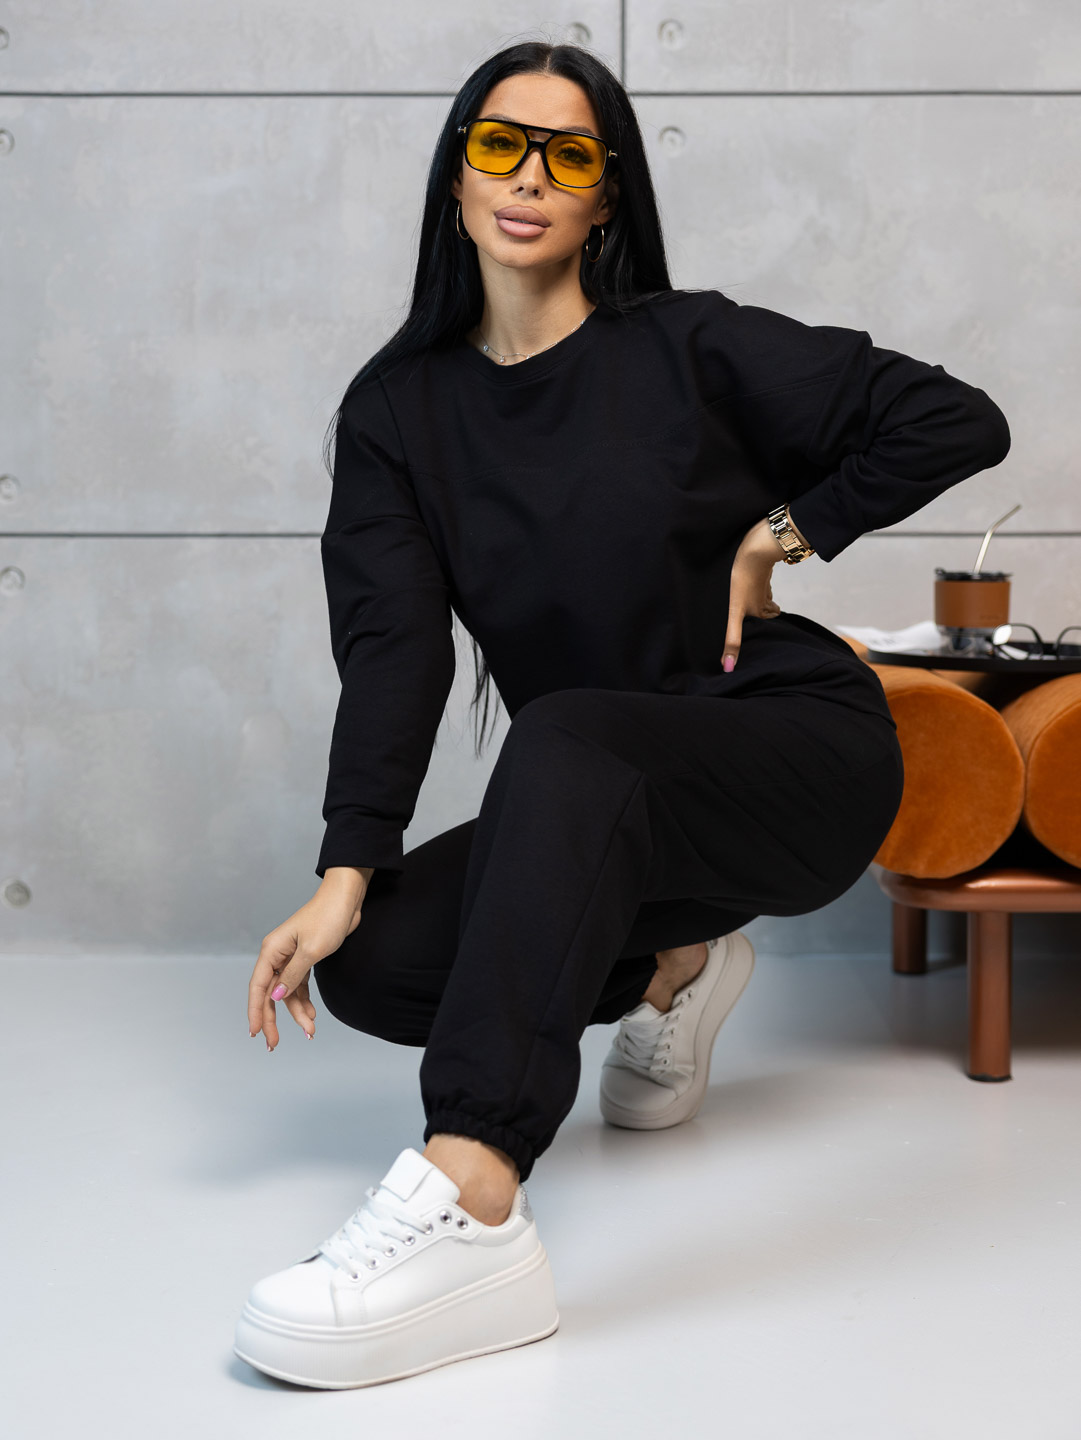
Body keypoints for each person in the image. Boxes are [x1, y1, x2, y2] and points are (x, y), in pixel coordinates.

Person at [234, 41, 1010, 1390]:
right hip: (604, 804)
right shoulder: (399, 413)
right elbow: (394, 654)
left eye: (570, 154)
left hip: (790, 754)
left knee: (568, 734)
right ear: (457, 175)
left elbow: (956, 419)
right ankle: (674, 966)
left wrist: (785, 531)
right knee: (377, 960)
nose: (530, 176)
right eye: (501, 144)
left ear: (605, 198)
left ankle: (473, 1196)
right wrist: (345, 868)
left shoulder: (686, 346)